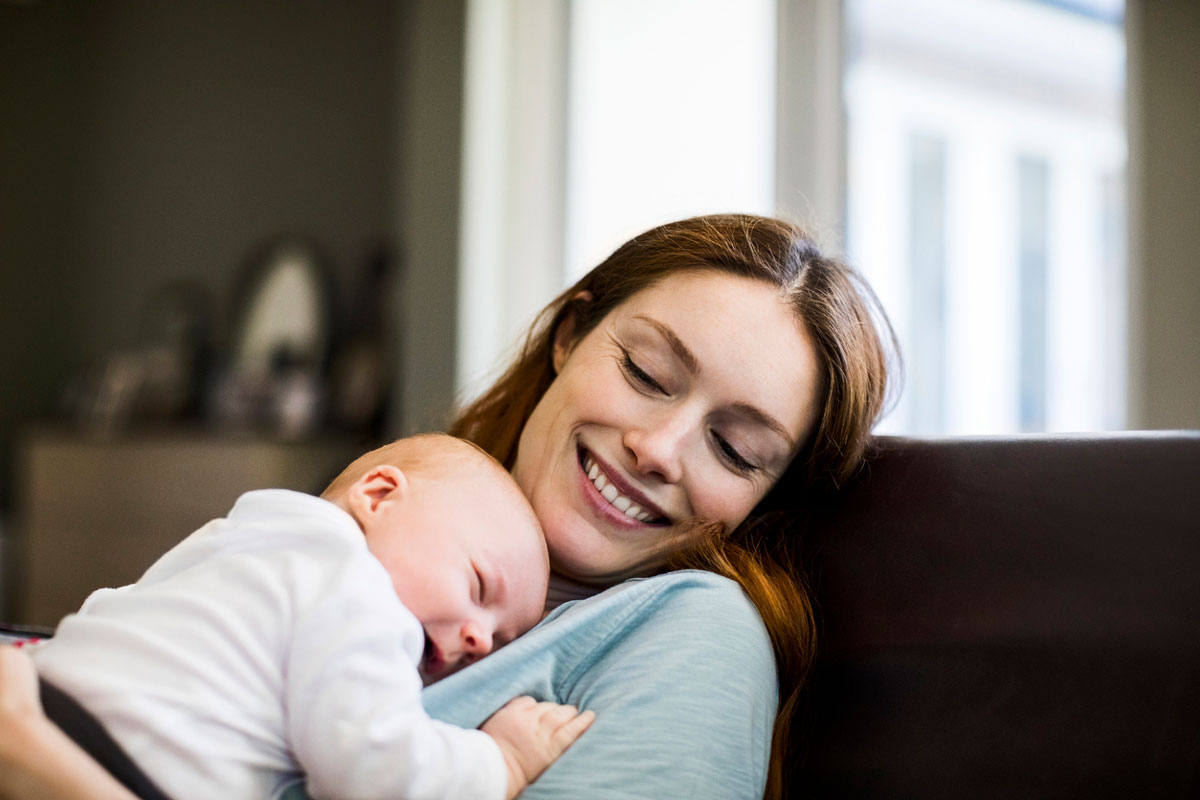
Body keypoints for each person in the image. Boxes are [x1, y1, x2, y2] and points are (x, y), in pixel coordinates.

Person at [0, 213, 897, 800]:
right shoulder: (366, 538)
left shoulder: (694, 634)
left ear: (765, 501)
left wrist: (44, 766)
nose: (659, 450)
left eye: (737, 450)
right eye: (646, 373)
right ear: (570, 336)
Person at [27, 434, 594, 800]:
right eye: (477, 585)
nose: (478, 637)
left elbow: (117, 605)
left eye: (499, 641)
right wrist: (503, 760)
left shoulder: (248, 536)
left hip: (49, 697)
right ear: (377, 496)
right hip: (119, 763)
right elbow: (377, 772)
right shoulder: (357, 589)